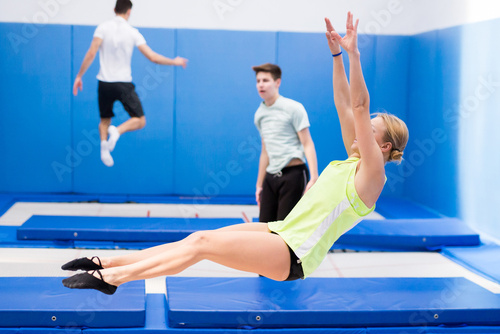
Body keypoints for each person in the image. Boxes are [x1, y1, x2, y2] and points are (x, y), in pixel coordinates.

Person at [62, 12, 409, 295]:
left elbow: (360, 107)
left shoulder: (371, 177)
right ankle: (106, 264)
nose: (360, 133)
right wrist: (336, 55)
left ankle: (112, 281)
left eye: (371, 131)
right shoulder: (353, 160)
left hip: (294, 254)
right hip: (280, 231)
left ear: (383, 147)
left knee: (202, 248)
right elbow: (345, 104)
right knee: (197, 238)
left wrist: (354, 55)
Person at [72, 0, 188, 167]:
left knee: (104, 120)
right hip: (123, 84)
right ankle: (117, 131)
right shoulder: (133, 32)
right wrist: (174, 61)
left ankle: (104, 148)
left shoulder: (102, 28)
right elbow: (153, 57)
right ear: (129, 12)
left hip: (104, 83)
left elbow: (91, 53)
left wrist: (79, 76)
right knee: (140, 120)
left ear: (114, 9)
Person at [253, 63, 319, 222]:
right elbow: (265, 151)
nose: (261, 84)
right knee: (265, 228)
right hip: (270, 177)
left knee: (286, 229)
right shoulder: (259, 114)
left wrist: (315, 177)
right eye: (258, 80)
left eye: (265, 80)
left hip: (293, 174)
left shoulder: (294, 108)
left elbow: (307, 143)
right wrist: (259, 184)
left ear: (277, 82)